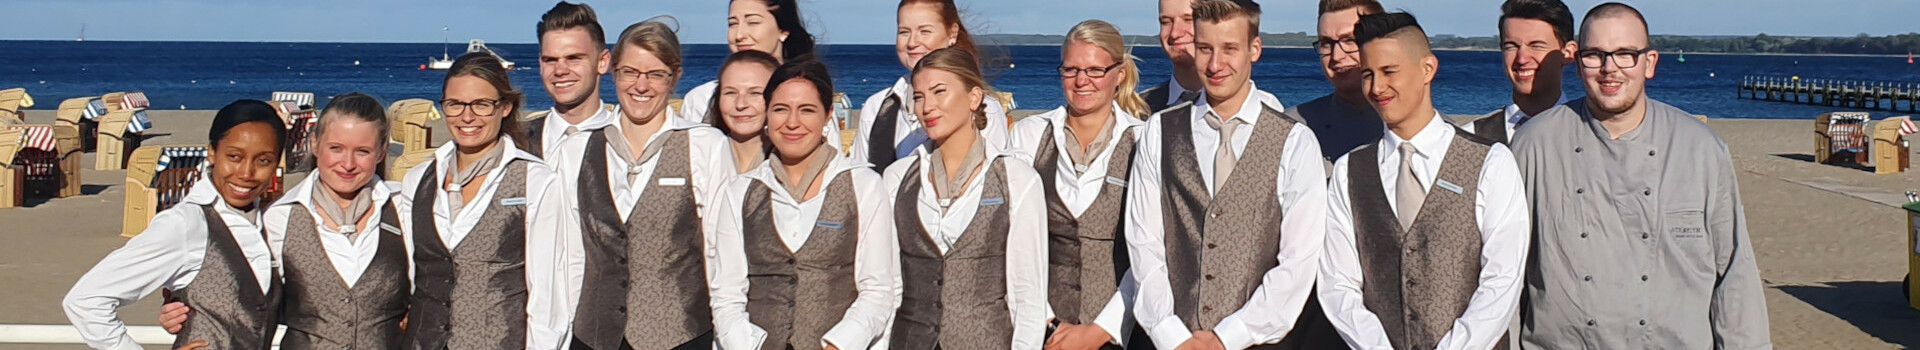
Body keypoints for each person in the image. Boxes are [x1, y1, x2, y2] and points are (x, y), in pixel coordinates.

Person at [1512, 3, 1772, 349]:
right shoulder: (1534, 144)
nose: (1609, 69)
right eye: (1595, 55)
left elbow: (1734, 273)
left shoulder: (1701, 148)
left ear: (1649, 63)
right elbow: (1508, 276)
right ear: (1576, 62)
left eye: (1624, 54)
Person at [1124, 1, 1332, 349]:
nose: (1216, 64)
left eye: (1230, 49)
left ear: (1255, 49)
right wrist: (1170, 334)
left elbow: (1298, 261)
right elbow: (1144, 243)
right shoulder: (1160, 130)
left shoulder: (1295, 142)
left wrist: (1229, 337)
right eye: (1205, 48)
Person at [1318, 12, 1529, 350]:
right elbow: (1337, 285)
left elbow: (1502, 280)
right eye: (1368, 74)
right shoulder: (1349, 170)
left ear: (1427, 69)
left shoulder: (1491, 162)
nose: (1377, 87)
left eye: (1389, 72)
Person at [155, 93, 415, 349]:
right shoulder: (280, 217)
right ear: (315, 144)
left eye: (362, 151)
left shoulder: (404, 208)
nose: (347, 163)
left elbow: (436, 290)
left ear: (381, 152)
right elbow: (242, 296)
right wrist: (182, 307)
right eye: (335, 148)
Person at [556, 19, 739, 350]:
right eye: (630, 72)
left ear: (674, 78)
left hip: (681, 336)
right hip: (593, 336)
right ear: (612, 71)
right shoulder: (575, 149)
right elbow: (570, 257)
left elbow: (721, 253)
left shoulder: (705, 146)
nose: (641, 86)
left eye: (655, 74)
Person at [707, 58, 901, 350]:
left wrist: (838, 344)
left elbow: (878, 290)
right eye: (781, 110)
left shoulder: (863, 185)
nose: (792, 122)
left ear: (827, 116)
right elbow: (727, 294)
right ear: (767, 116)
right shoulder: (741, 191)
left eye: (807, 110)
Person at [64, 100, 288, 350]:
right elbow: (85, 300)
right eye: (234, 156)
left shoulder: (269, 223)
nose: (246, 172)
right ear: (212, 153)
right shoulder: (185, 224)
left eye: (263, 161)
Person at [396, 52, 571, 350]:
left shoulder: (537, 181)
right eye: (455, 104)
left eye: (481, 104)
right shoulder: (418, 180)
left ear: (505, 107)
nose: (467, 116)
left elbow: (549, 298)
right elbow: (413, 277)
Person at [882, 47, 1049, 349]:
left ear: (973, 98)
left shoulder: (1016, 179)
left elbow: (1028, 298)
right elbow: (889, 288)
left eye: (939, 92)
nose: (927, 106)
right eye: (919, 96)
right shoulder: (896, 178)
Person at [1006, 19, 1147, 350]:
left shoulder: (1144, 141)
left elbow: (1149, 250)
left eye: (1095, 70)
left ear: (1119, 74)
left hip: (1119, 335)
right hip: (1039, 332)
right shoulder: (1029, 136)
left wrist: (1100, 330)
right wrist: (1046, 322)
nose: (1082, 80)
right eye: (1070, 70)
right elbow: (1009, 237)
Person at [852, 0, 1014, 171]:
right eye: (904, 32)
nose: (912, 42)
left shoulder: (985, 109)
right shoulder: (877, 107)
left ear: (952, 33)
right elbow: (859, 180)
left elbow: (995, 176)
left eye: (925, 31)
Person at [679, 0, 819, 123]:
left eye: (753, 22)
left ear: (783, 31)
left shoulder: (810, 92)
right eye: (732, 24)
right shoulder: (702, 98)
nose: (739, 35)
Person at [1284, 0, 1387, 162]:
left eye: (1350, 40)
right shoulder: (1290, 129)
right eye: (1326, 43)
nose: (1336, 56)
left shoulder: (1423, 129)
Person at [1461, 0, 1577, 143]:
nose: (1522, 59)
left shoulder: (1590, 133)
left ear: (1568, 53)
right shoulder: (1471, 139)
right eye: (1511, 46)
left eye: (1537, 46)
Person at [526, 1, 623, 166]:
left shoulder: (626, 139)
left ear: (602, 62)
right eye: (550, 60)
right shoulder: (517, 141)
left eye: (574, 58)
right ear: (541, 65)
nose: (560, 70)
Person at [706, 50, 784, 173]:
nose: (740, 104)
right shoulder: (699, 154)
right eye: (730, 93)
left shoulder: (793, 161)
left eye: (755, 93)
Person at [1140, 0, 1203, 114]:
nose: (1175, 33)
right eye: (1166, 22)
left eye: (1188, 19)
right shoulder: (1139, 109)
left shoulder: (1241, 105)